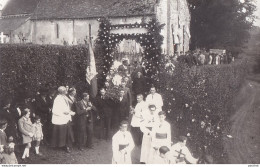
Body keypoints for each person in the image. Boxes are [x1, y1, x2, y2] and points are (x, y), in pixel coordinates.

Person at [51, 86, 75, 153]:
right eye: (65, 90)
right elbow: (54, 110)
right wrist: (65, 113)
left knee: (67, 133)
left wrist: (69, 112)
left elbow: (69, 104)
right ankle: (60, 146)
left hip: (66, 118)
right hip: (60, 119)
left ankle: (67, 146)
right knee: (61, 134)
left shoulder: (64, 97)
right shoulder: (57, 99)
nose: (67, 91)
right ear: (62, 92)